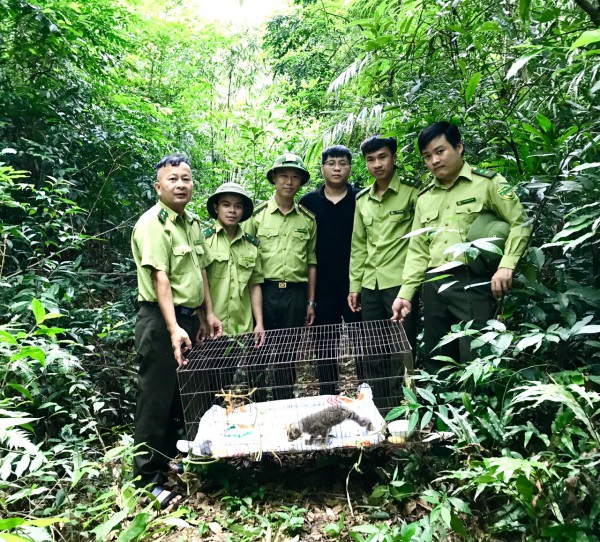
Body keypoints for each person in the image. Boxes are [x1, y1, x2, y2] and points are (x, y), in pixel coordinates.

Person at [392, 121, 531, 373]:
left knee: (476, 357)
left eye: (440, 151)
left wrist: (506, 265)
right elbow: (418, 249)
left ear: (459, 147)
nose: (434, 160)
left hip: (472, 281)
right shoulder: (424, 198)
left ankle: (478, 409)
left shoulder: (488, 183)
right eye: (427, 156)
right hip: (433, 284)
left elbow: (519, 223)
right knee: (436, 356)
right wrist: (405, 293)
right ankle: (441, 408)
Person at [131, 154, 222, 508]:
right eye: (173, 179)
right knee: (155, 399)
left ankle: (169, 461)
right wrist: (173, 329)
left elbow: (200, 272)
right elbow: (161, 279)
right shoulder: (153, 224)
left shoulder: (191, 223)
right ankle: (146, 481)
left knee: (177, 397)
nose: (181, 184)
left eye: (186, 178)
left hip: (187, 318)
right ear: (159, 186)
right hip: (159, 321)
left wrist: (207, 314)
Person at [348, 135, 421, 408]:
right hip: (370, 284)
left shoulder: (413, 195)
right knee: (372, 350)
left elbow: (420, 242)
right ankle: (380, 406)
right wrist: (355, 286)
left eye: (382, 157)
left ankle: (408, 404)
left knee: (401, 349)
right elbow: (358, 245)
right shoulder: (362, 200)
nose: (377, 164)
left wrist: (409, 289)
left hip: (399, 284)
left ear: (393, 157)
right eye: (370, 159)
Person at [245, 153, 317, 399]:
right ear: (274, 178)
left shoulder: (308, 220)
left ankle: (284, 406)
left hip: (295, 294)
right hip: (264, 291)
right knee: (258, 349)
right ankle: (255, 405)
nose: (289, 182)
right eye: (284, 176)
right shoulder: (255, 216)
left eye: (295, 177)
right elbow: (244, 258)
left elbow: (311, 262)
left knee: (288, 355)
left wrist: (310, 302)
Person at [299, 145, 361, 394]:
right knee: (324, 343)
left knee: (362, 339)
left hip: (355, 284)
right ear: (322, 168)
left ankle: (366, 390)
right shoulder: (308, 202)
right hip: (321, 285)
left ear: (350, 167)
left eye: (343, 163)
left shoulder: (360, 198)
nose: (337, 168)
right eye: (332, 163)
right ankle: (326, 394)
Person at [204, 182, 265, 343]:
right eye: (226, 205)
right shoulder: (203, 241)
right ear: (216, 208)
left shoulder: (251, 245)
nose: (232, 210)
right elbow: (197, 285)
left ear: (243, 211)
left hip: (242, 328)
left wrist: (259, 323)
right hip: (211, 328)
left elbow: (254, 285)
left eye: (238, 206)